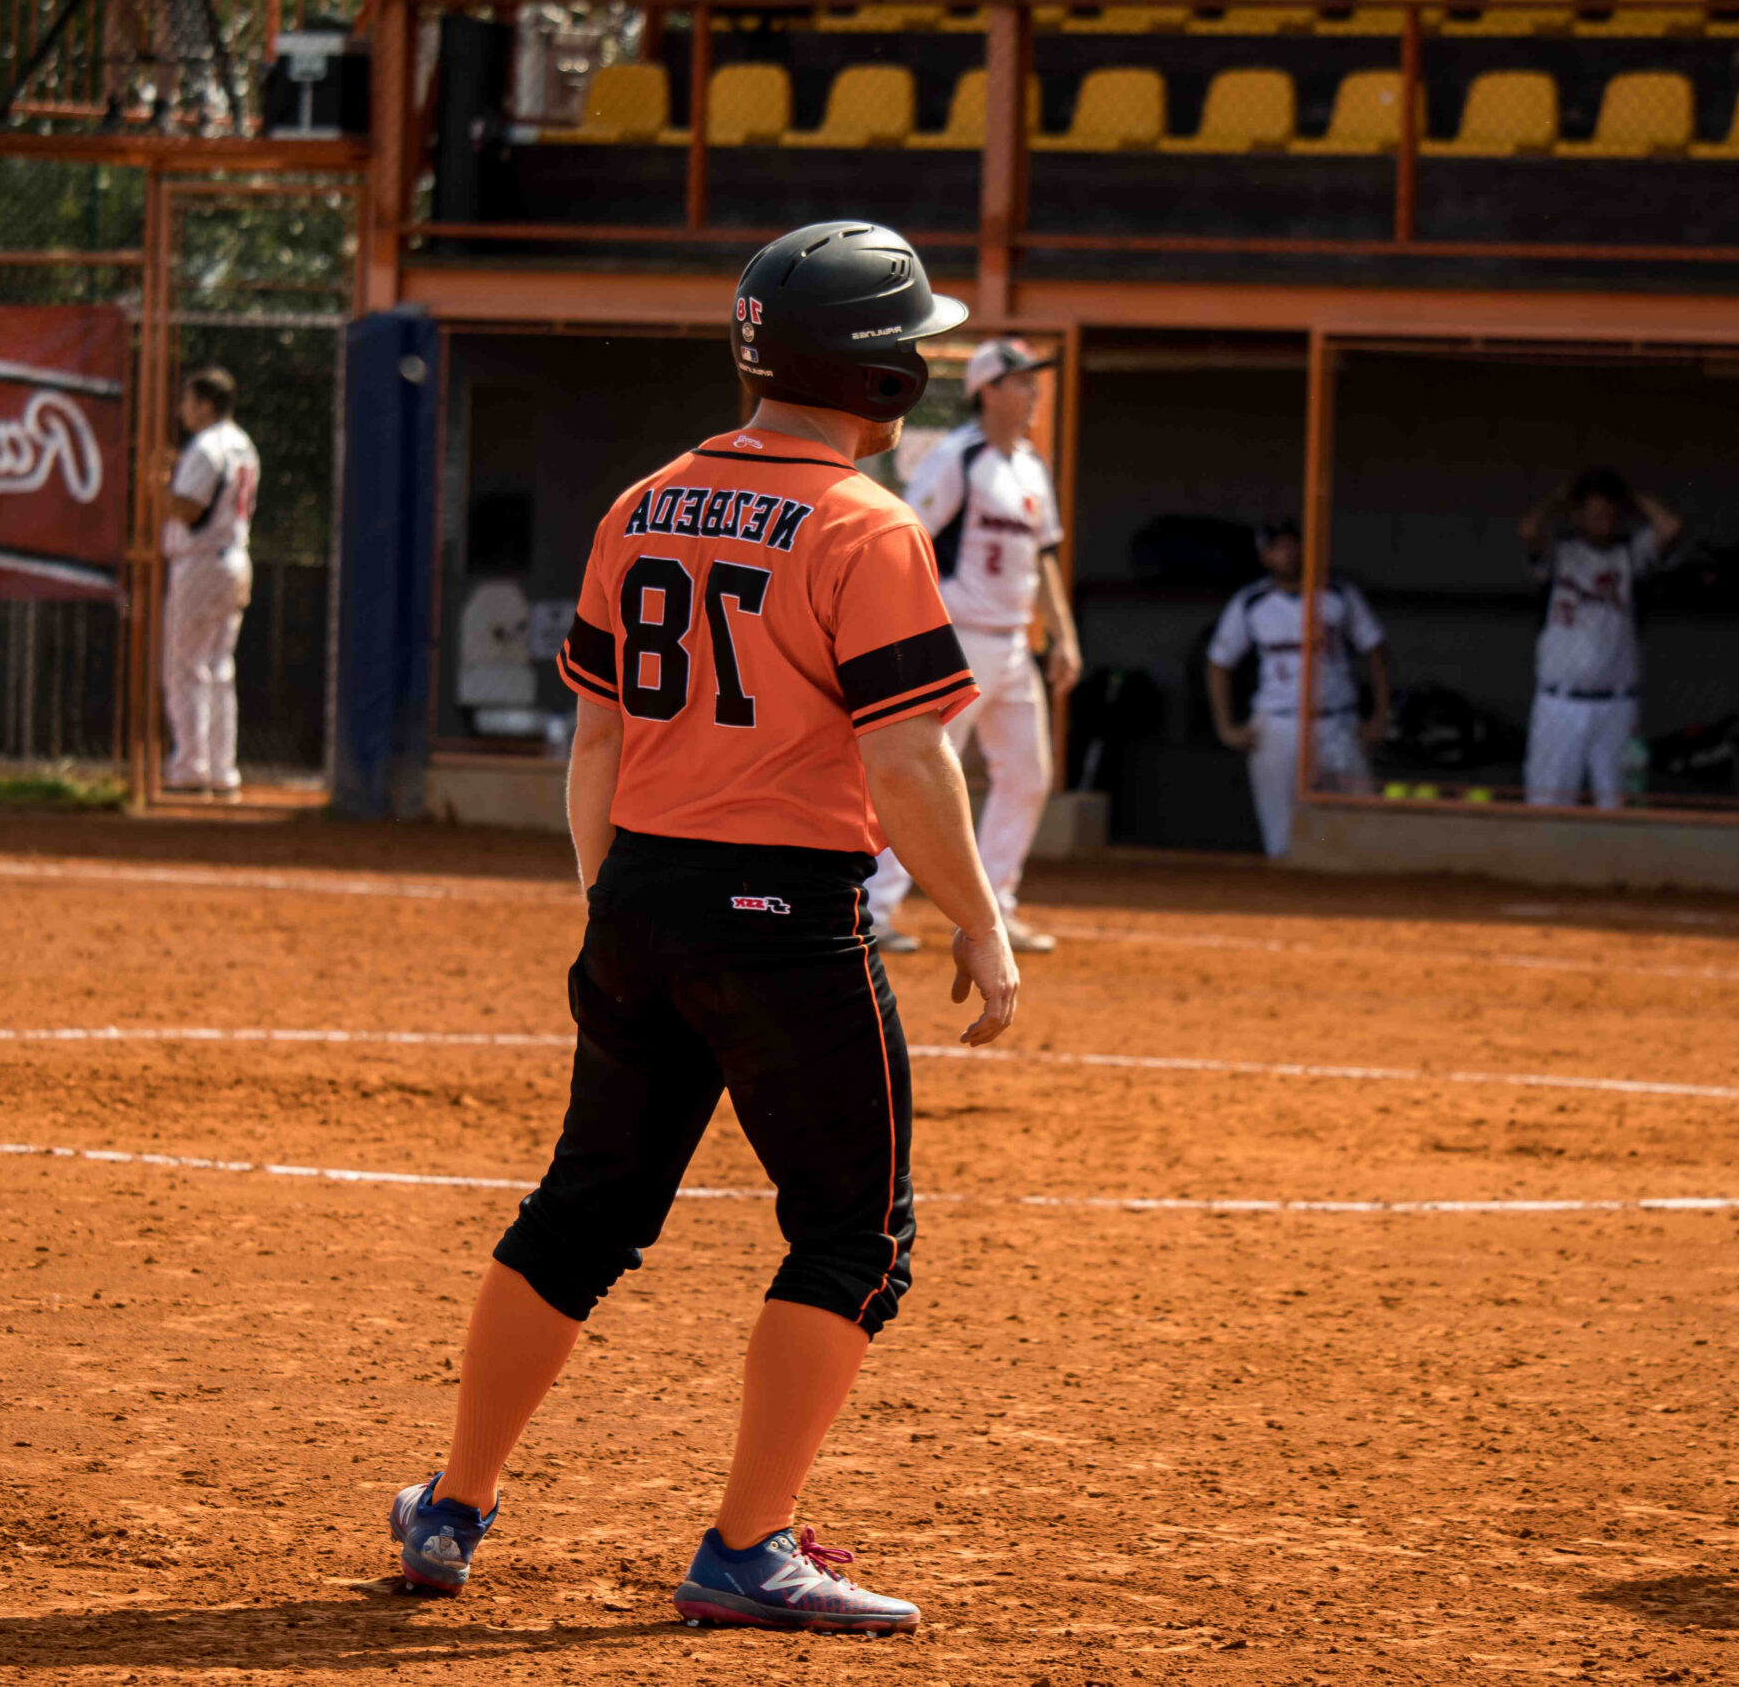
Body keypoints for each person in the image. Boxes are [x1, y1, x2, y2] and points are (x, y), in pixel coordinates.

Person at [386, 221, 1019, 1636]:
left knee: (587, 1207)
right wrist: (981, 923)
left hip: (641, 897)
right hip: (784, 919)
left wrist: (614, 897)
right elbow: (912, 761)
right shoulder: (867, 524)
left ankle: (454, 1502)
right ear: (879, 372)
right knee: (857, 1232)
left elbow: (598, 734)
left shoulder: (643, 503)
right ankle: (746, 1543)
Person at [865, 337, 1081, 958]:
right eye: (1020, 381)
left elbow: (1043, 560)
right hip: (957, 640)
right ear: (986, 390)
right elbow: (907, 539)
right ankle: (873, 910)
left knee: (1030, 776)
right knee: (922, 777)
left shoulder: (1031, 465)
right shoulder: (957, 457)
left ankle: (993, 909)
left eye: (1035, 381)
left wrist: (1060, 635)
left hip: (1014, 645)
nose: (1033, 391)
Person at [1204, 520, 1392, 858]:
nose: (1288, 553)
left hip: (1337, 720)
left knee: (1361, 819)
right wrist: (1225, 726)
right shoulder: (1251, 601)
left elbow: (1375, 652)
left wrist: (1380, 714)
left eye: (1294, 544)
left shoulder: (1339, 594)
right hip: (1278, 723)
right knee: (1280, 829)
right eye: (1278, 547)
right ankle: (1285, 906)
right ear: (1264, 556)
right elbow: (1218, 664)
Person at [1518, 468, 1684, 809]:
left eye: (1608, 514)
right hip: (1559, 703)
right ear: (1577, 515)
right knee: (1546, 807)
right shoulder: (1560, 553)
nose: (1602, 521)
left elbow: (1671, 527)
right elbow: (1528, 530)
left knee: (1620, 807)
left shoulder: (1629, 554)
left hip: (1617, 706)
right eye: (1593, 514)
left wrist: (1631, 497)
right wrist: (1557, 499)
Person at [159, 364, 258, 799]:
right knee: (219, 670)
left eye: (188, 400)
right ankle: (222, 772)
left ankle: (189, 769)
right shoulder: (244, 445)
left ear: (206, 405)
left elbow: (188, 509)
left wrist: (158, 484)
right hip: (235, 558)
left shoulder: (206, 446)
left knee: (185, 667)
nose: (183, 409)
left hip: (200, 562)